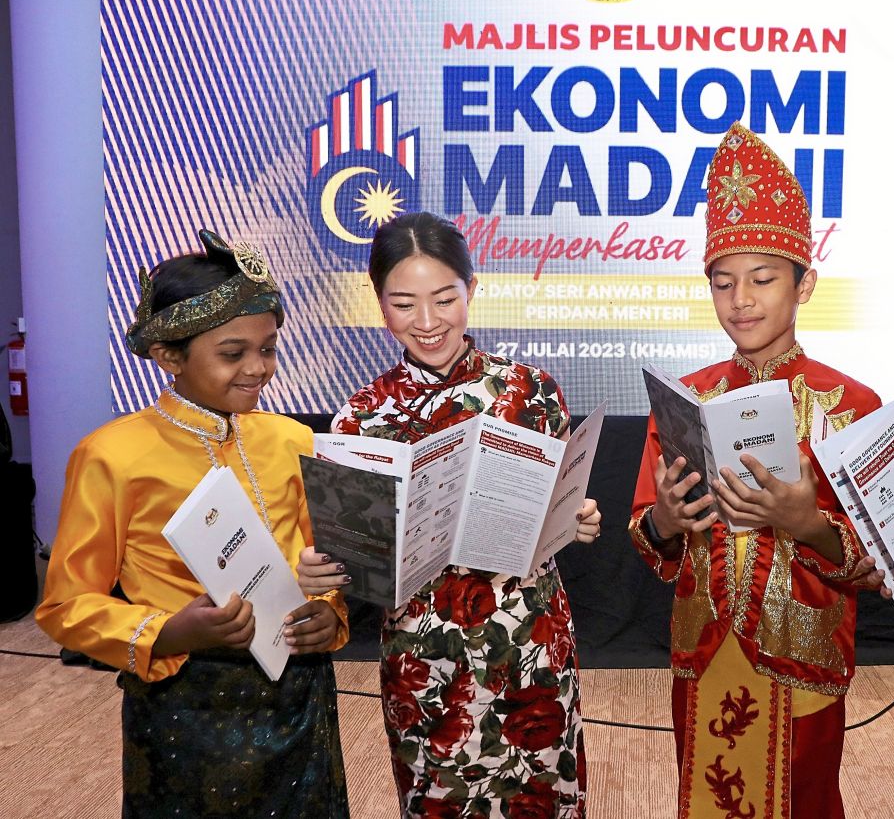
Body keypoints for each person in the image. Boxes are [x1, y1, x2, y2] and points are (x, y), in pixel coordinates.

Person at [36, 230, 351, 817]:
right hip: (186, 701)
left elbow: (326, 559)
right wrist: (172, 632)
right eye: (234, 353)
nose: (260, 369)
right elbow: (65, 607)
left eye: (269, 348)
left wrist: (327, 613)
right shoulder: (112, 455)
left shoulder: (292, 439)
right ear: (169, 357)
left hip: (298, 690)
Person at [297, 211, 602, 818]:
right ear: (379, 304)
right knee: (439, 798)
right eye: (404, 303)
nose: (428, 322)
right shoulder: (361, 419)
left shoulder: (531, 392)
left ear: (473, 289)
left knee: (541, 796)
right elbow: (351, 552)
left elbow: (553, 508)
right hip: (425, 656)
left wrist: (577, 519)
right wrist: (319, 566)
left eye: (445, 298)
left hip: (527, 639)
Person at [629, 122, 884, 819]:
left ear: (805, 285)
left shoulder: (850, 406)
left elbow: (880, 565)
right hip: (706, 654)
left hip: (803, 654)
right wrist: (667, 521)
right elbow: (648, 539)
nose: (741, 299)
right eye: (723, 281)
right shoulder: (686, 399)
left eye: (763, 278)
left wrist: (808, 525)